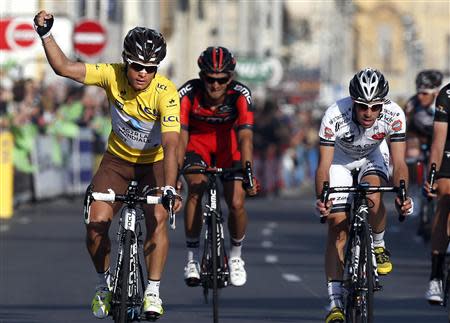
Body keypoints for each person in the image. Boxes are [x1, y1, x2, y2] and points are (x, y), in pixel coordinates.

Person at [33, 10, 182, 320]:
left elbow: (170, 143)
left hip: (153, 164)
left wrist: (169, 186)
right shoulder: (111, 74)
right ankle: (104, 286)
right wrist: (46, 34)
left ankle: (152, 291)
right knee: (95, 225)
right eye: (137, 66)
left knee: (157, 216)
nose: (143, 73)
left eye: (150, 68)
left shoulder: (166, 93)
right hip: (116, 161)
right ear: (126, 62)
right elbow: (63, 68)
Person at [315, 68, 413, 323]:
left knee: (373, 195)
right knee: (337, 226)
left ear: (383, 104)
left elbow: (400, 163)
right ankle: (335, 301)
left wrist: (403, 194)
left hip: (372, 155)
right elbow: (323, 166)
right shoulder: (335, 115)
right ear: (353, 103)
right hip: (340, 160)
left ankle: (378, 245)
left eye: (374, 107)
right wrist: (323, 198)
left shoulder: (394, 114)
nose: (368, 113)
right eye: (362, 107)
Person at [177, 46, 258, 288]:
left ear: (230, 78)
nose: (215, 85)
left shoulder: (241, 94)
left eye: (221, 80)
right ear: (202, 77)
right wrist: (175, 173)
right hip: (196, 146)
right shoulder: (188, 93)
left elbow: (245, 136)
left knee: (236, 202)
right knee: (195, 188)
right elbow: (180, 136)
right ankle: (191, 258)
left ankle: (236, 256)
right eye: (210, 79)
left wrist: (248, 172)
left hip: (228, 148)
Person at [423, 82, 450, 304]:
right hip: (449, 154)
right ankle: (436, 276)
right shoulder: (447, 94)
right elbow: (438, 144)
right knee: (445, 198)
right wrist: (432, 177)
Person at [405, 70, 443, 159]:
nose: (420, 96)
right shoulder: (412, 103)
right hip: (422, 141)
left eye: (425, 93)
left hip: (442, 141)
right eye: (418, 92)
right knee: (412, 150)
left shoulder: (445, 103)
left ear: (436, 93)